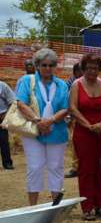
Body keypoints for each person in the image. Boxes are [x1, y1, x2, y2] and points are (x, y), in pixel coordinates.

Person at [16, 48, 69, 205]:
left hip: (57, 132)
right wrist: (38, 121)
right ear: (37, 65)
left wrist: (50, 121)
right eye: (44, 65)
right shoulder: (27, 81)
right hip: (33, 131)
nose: (47, 68)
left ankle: (55, 206)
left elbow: (66, 108)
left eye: (51, 65)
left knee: (56, 168)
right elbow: (20, 103)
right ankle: (33, 207)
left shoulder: (61, 85)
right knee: (35, 168)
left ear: (55, 66)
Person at [69, 53, 101, 220]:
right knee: (86, 169)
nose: (92, 71)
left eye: (95, 68)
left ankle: (100, 204)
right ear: (83, 68)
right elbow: (73, 108)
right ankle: (87, 207)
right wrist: (88, 125)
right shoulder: (76, 85)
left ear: (99, 69)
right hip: (84, 132)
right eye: (88, 67)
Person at [64, 62, 84, 179]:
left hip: (88, 119)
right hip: (75, 120)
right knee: (75, 143)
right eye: (82, 70)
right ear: (76, 72)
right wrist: (69, 119)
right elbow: (68, 105)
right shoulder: (71, 85)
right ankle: (76, 167)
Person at [0, 81, 16, 170]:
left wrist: (6, 115)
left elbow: (13, 102)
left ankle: (7, 163)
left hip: (2, 118)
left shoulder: (3, 86)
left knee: (3, 141)